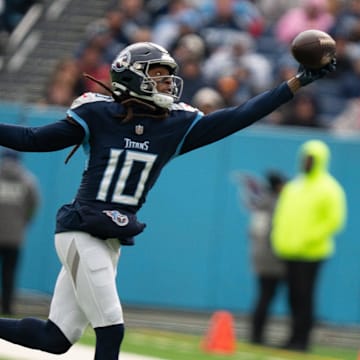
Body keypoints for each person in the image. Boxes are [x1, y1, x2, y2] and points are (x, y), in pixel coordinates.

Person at [0, 42, 335, 359]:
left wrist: (295, 83)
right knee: (111, 328)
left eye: (166, 75)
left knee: (56, 338)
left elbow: (240, 115)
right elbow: (32, 139)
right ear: (133, 76)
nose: (166, 83)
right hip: (82, 230)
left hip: (110, 239)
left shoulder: (175, 125)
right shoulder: (98, 114)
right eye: (157, 74)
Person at [271, 139, 347, 352]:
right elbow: (282, 216)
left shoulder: (329, 189)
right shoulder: (294, 186)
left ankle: (302, 340)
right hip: (289, 251)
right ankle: (293, 336)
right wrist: (280, 239)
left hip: (312, 252)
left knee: (305, 296)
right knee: (293, 296)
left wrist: (307, 239)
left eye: (311, 159)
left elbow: (334, 221)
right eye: (305, 158)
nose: (307, 162)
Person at [234, 170, 286, 345]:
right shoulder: (275, 204)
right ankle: (257, 335)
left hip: (258, 256)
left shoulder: (261, 203)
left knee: (263, 296)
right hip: (272, 258)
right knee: (266, 296)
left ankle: (256, 334)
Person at [0, 149, 39, 315]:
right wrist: (23, 222)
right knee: (9, 275)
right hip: (15, 236)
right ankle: (7, 308)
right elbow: (33, 207)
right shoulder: (28, 181)